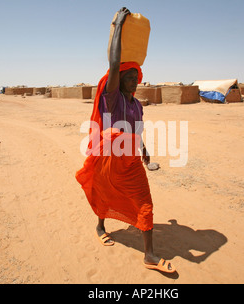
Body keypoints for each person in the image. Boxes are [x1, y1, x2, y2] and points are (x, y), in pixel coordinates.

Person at [75, 7, 175, 274]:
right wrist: (118, 25)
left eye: (135, 78)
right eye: (127, 78)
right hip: (109, 158)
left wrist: (145, 152)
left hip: (130, 161)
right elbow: (114, 64)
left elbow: (137, 131)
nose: (132, 81)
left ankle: (150, 255)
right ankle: (100, 226)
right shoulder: (113, 99)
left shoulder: (137, 105)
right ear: (118, 81)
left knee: (145, 202)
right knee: (104, 191)